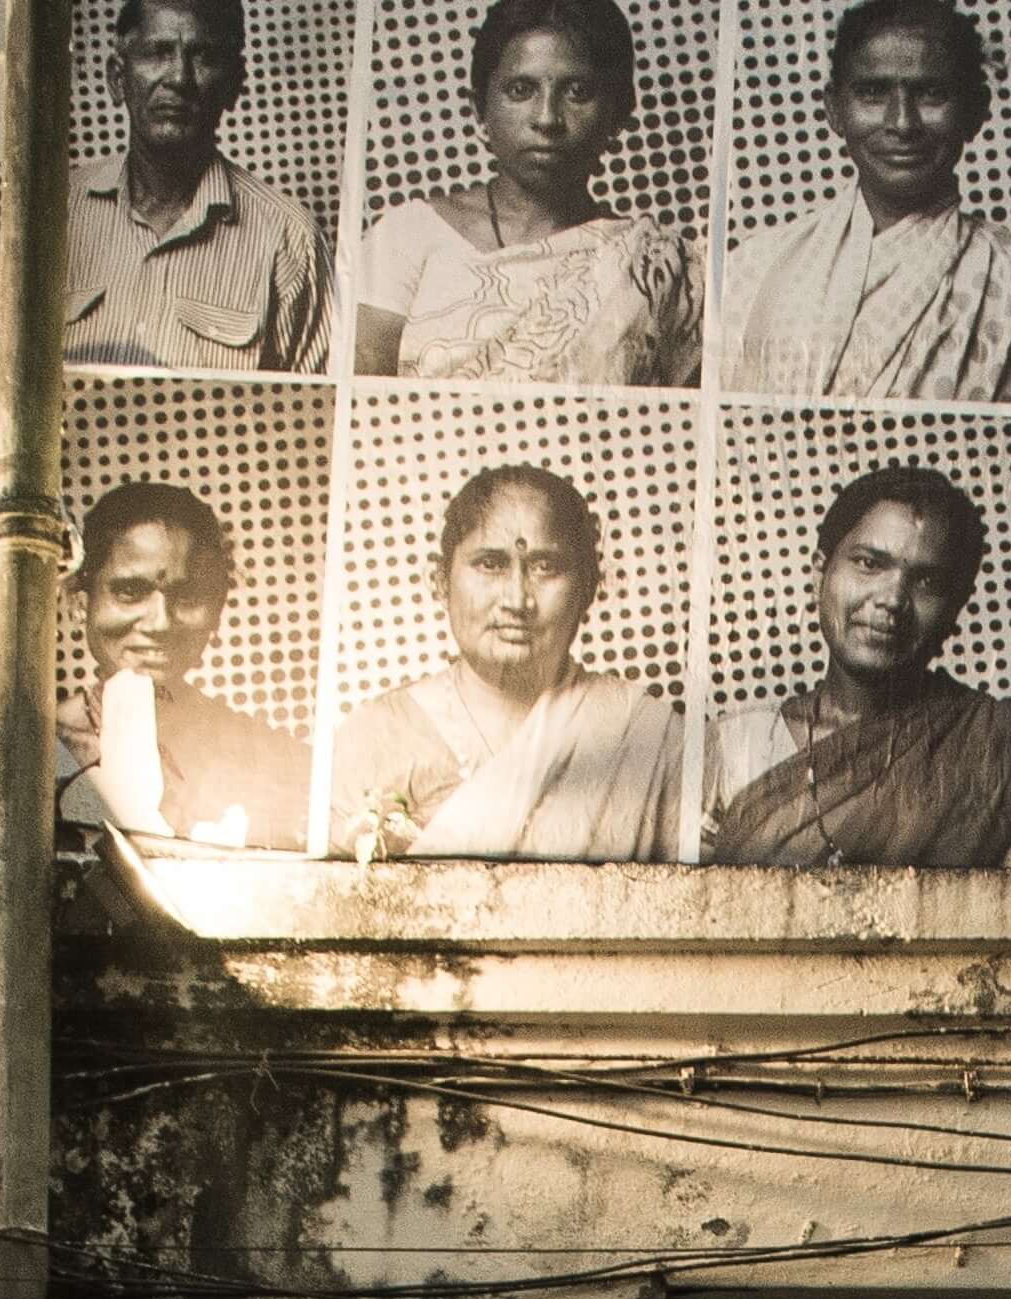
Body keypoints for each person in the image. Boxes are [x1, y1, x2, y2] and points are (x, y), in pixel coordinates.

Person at [713, 0, 1011, 400]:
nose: (902, 122)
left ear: (976, 109)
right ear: (834, 109)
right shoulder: (757, 267)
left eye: (932, 93)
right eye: (872, 93)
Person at [326, 462, 681, 854]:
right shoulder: (374, 739)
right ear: (440, 582)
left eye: (546, 567)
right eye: (490, 565)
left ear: (588, 589)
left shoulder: (645, 734)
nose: (517, 600)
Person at [704, 465, 1011, 864]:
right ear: (821, 573)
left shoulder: (1010, 747)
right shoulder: (736, 751)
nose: (892, 598)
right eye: (869, 564)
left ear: (956, 606)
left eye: (927, 582)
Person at [0, 482, 313, 848]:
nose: (160, 622)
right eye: (129, 592)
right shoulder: (20, 754)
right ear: (80, 603)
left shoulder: (261, 751)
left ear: (217, 610)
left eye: (187, 596)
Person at [352, 0, 694, 383]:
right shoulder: (407, 237)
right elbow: (357, 412)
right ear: (480, 108)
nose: (547, 118)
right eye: (520, 90)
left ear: (618, 114)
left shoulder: (656, 265)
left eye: (578, 91)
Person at [63, 0, 326, 371]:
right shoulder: (52, 218)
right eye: (158, 52)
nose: (179, 78)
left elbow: (314, 421)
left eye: (202, 56)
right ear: (117, 79)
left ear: (235, 84)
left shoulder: (290, 241)